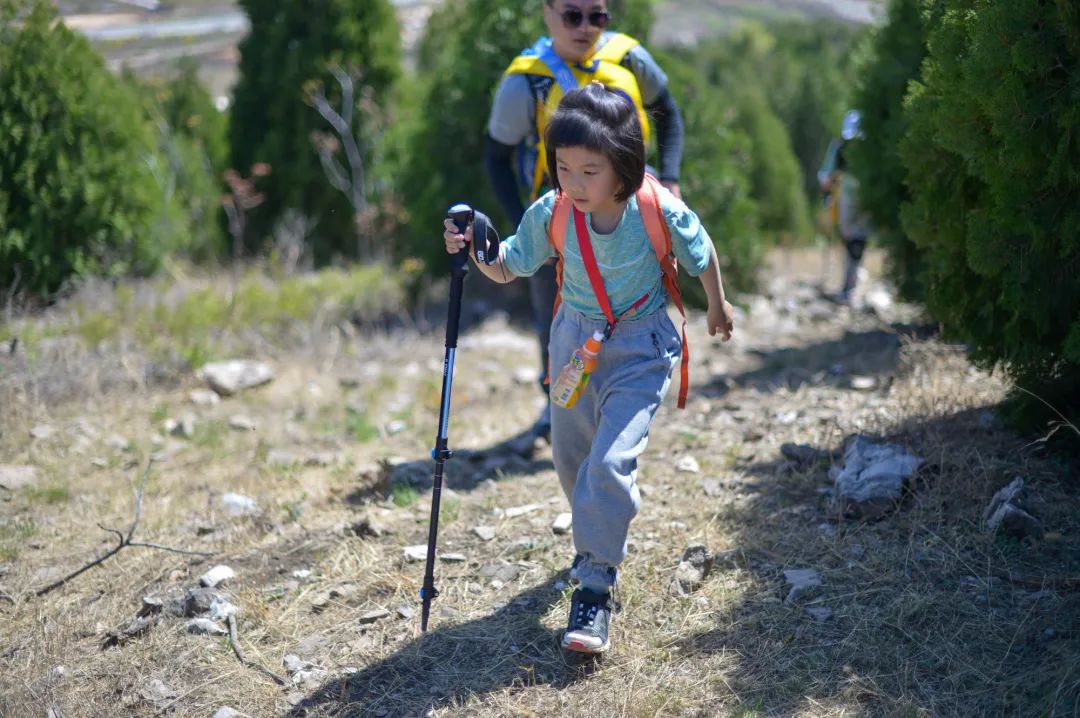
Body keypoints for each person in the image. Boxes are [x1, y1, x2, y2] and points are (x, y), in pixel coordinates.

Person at [446, 83, 733, 653]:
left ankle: (595, 585)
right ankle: (604, 513)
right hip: (574, 340)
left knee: (608, 460)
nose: (574, 184)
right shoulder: (551, 213)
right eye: (563, 168)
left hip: (642, 345)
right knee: (573, 459)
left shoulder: (656, 209)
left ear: (624, 168)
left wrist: (718, 307)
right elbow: (508, 267)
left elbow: (703, 254)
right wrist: (476, 243)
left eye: (590, 171)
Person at [485, 0, 685, 443]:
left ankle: (624, 400)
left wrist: (670, 179)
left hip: (633, 216)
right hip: (559, 222)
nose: (586, 27)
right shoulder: (526, 82)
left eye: (597, 16)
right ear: (547, 12)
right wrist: (527, 225)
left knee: (635, 310)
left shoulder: (630, 59)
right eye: (572, 16)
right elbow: (495, 158)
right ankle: (556, 406)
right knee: (557, 319)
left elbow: (667, 110)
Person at [817, 109, 872, 304]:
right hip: (845, 198)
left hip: (864, 198)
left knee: (857, 240)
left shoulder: (871, 148)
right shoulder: (839, 146)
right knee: (851, 239)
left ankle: (850, 285)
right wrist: (828, 182)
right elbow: (825, 174)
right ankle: (850, 283)